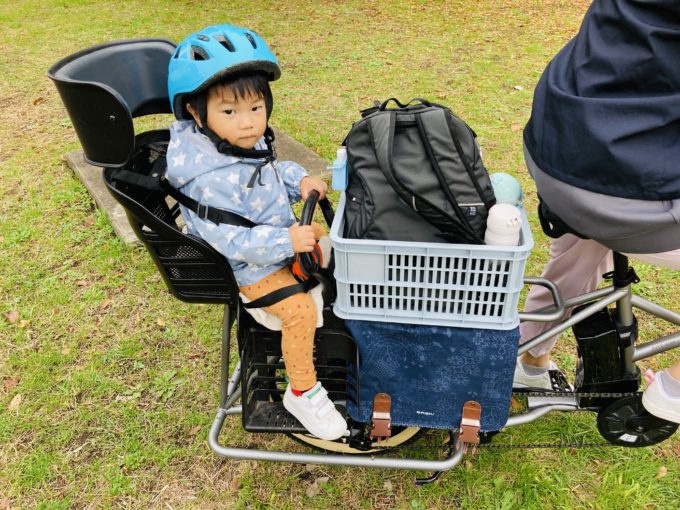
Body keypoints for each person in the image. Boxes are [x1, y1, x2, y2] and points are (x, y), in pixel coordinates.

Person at [165, 24, 346, 440]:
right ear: (196, 112)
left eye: (256, 108)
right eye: (229, 112)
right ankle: (302, 391)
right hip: (249, 268)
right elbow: (230, 241)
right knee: (300, 310)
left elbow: (271, 169)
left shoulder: (240, 144)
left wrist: (299, 180)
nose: (247, 123)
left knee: (339, 245)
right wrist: (286, 241)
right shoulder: (206, 178)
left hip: (279, 241)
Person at [512, 0, 680, 424]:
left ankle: (529, 359)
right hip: (623, 181)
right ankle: (675, 390)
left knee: (583, 243)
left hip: (561, 140)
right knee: (604, 217)